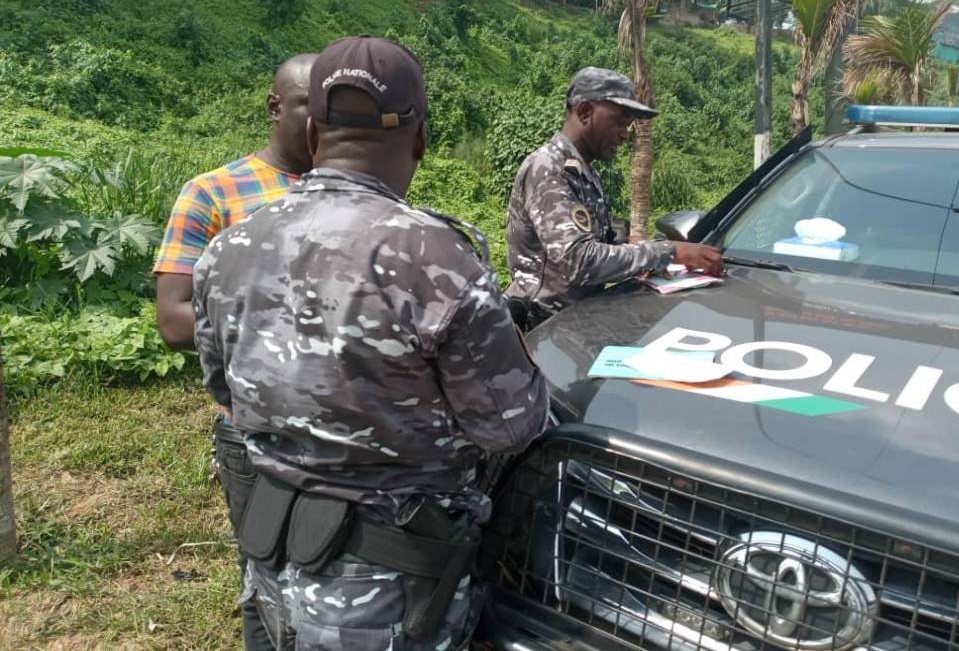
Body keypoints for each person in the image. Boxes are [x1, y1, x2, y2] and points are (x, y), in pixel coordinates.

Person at [192, 35, 549, 650]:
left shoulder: (230, 247)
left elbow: (224, 387)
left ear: (311, 137)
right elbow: (509, 427)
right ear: (420, 140)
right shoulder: (438, 258)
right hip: (392, 592)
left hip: (274, 566)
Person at [152, 52, 317, 651]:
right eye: (307, 106)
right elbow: (173, 318)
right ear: (275, 107)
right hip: (254, 429)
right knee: (266, 576)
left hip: (343, 432)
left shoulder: (352, 192)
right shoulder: (213, 194)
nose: (321, 122)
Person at [505, 66, 724, 329]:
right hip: (544, 328)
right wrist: (667, 252)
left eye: (629, 124)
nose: (625, 133)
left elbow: (592, 240)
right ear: (585, 112)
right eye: (620, 121)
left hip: (579, 321)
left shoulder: (584, 171)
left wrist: (631, 245)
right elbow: (579, 260)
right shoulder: (548, 168)